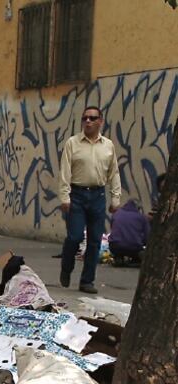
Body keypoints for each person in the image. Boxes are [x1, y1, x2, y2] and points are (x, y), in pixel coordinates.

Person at [57, 105, 121, 294]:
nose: (88, 121)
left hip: (98, 196)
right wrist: (64, 197)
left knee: (94, 241)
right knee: (75, 236)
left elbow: (114, 172)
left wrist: (115, 198)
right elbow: (64, 172)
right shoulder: (73, 143)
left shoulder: (108, 145)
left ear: (100, 121)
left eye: (93, 118)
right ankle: (66, 267)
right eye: (85, 118)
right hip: (76, 195)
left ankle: (87, 281)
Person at [108, 199, 149, 266]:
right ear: (138, 208)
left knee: (118, 247)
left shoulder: (116, 214)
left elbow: (113, 230)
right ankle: (135, 260)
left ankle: (118, 257)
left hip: (115, 246)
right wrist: (142, 243)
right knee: (137, 252)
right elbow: (147, 236)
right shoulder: (142, 217)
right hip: (134, 247)